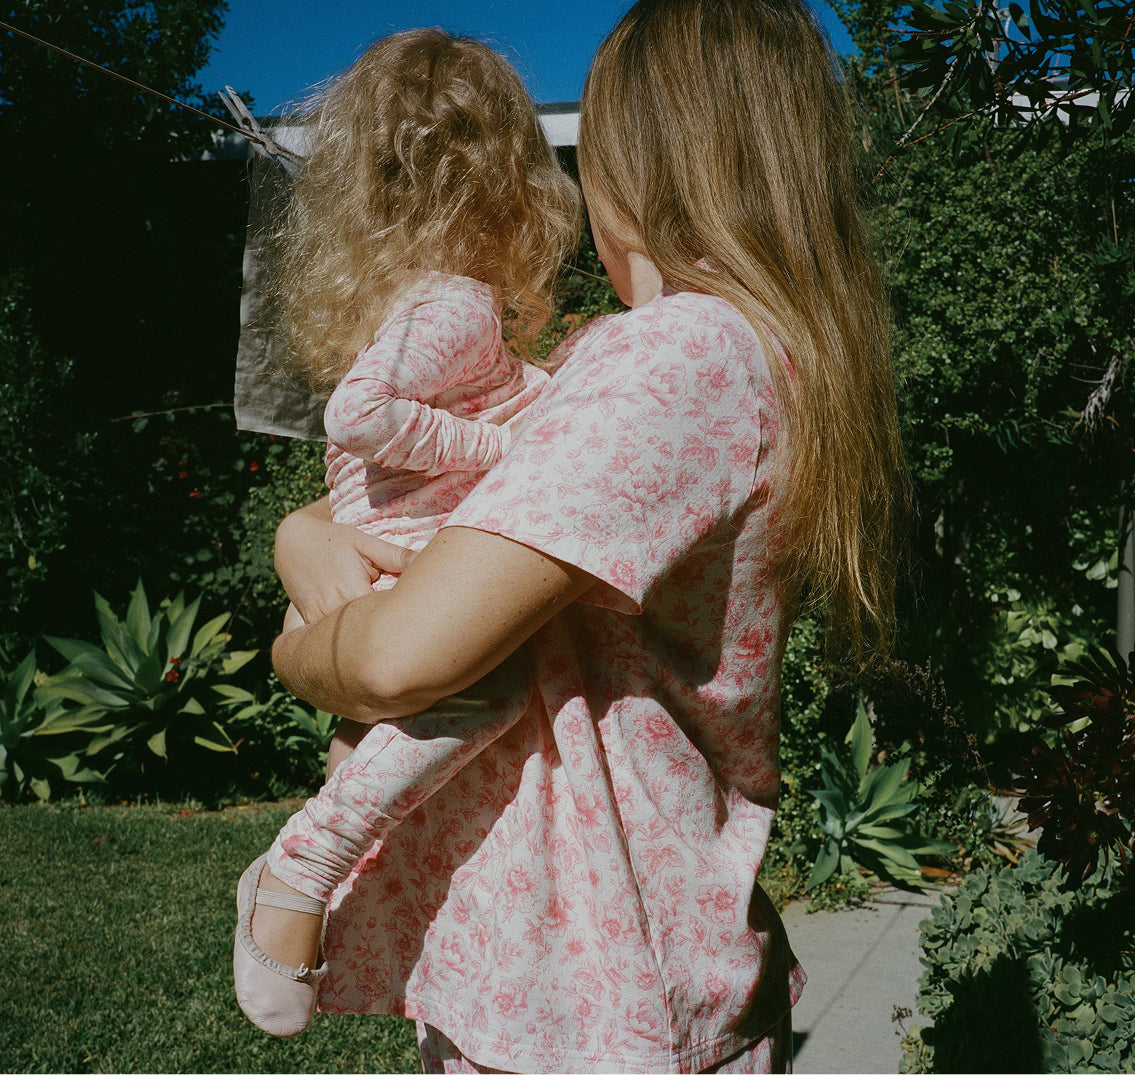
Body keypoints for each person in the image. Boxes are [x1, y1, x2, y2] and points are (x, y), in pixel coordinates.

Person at [260, 0, 909, 1070]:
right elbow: (471, 510)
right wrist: (301, 531)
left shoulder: (674, 360)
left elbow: (394, 659)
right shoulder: (724, 360)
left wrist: (296, 644)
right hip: (599, 970)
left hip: (593, 998)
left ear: (625, 169)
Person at [231, 27, 580, 1039]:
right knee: (485, 691)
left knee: (381, 748)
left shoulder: (424, 301)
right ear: (513, 182)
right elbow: (359, 418)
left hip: (384, 545)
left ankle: (306, 878)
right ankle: (301, 871)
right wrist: (494, 450)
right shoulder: (458, 304)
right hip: (409, 554)